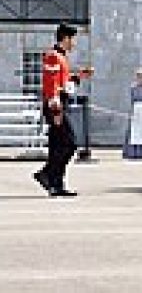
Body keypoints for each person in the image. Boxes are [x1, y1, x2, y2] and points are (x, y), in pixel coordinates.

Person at [33, 23, 93, 197]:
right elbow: (51, 85)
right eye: (73, 39)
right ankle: (49, 174)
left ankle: (55, 183)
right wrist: (56, 110)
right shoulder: (53, 57)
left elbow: (63, 83)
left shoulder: (61, 57)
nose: (74, 43)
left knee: (57, 145)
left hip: (58, 104)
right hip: (55, 106)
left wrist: (79, 76)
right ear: (66, 38)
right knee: (69, 143)